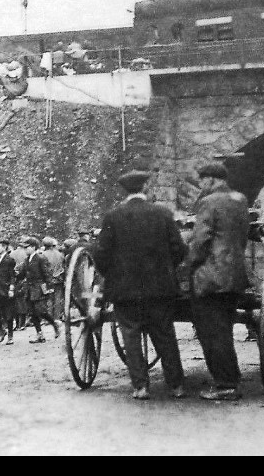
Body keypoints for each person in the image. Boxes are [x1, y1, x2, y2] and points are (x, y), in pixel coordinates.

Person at [95, 170, 188, 400]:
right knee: (165, 335)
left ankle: (141, 387)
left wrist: (114, 276)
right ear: (145, 188)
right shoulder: (163, 214)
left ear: (124, 191)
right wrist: (166, 269)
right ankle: (176, 386)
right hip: (160, 288)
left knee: (131, 337)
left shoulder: (112, 217)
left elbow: (101, 255)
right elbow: (179, 249)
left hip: (125, 291)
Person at [183, 162, 249, 401]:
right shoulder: (240, 200)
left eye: (202, 181)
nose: (201, 186)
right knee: (224, 329)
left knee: (211, 332)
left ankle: (226, 385)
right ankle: (231, 378)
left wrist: (188, 264)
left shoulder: (209, 202)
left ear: (211, 180)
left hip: (211, 276)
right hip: (234, 274)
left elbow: (201, 241)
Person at [41, 236, 66, 321]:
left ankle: (48, 318)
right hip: (59, 280)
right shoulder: (60, 254)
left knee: (48, 299)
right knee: (58, 299)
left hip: (47, 280)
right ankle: (57, 317)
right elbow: (63, 266)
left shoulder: (43, 255)